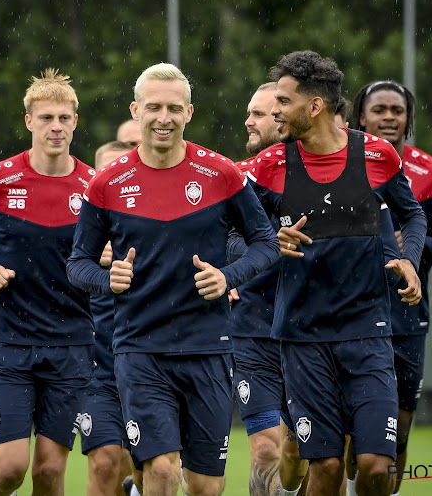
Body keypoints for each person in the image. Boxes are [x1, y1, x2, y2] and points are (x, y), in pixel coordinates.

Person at [68, 62, 280, 496]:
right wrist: (108, 280)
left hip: (209, 349)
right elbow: (78, 264)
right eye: (153, 107)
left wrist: (228, 276)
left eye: (173, 108)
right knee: (161, 470)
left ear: (189, 113)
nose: (163, 118)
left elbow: (266, 243)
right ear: (136, 109)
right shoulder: (107, 182)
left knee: (206, 486)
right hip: (140, 350)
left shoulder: (222, 174)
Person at [248, 51, 427, 496]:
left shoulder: (377, 156)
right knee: (325, 468)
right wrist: (273, 238)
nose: (275, 112)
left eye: (284, 102)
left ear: (315, 107)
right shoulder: (269, 166)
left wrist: (411, 258)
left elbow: (414, 217)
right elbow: (235, 234)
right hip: (302, 336)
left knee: (374, 466)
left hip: (367, 332)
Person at [0, 69, 95, 496]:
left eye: (64, 118)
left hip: (71, 341)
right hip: (8, 339)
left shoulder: (96, 187)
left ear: (75, 122)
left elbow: (116, 251)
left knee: (49, 472)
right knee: (9, 469)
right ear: (29, 121)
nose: (56, 127)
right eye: (46, 118)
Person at [349, 80, 432, 496]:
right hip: (347, 315)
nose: (388, 118)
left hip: (404, 317)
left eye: (396, 110)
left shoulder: (431, 174)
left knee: (395, 434)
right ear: (360, 116)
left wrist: (414, 243)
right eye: (378, 109)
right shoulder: (338, 161)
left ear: (408, 118)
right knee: (348, 439)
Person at [230, 81, 309, 496]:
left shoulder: (326, 175)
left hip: (309, 333)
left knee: (300, 454)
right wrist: (244, 259)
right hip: (252, 329)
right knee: (264, 450)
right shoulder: (238, 180)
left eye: (259, 114)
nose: (249, 120)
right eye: (251, 111)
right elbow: (222, 237)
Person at [80, 140, 140, 496]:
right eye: (105, 170)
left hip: (146, 358)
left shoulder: (155, 221)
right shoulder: (81, 226)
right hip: (95, 363)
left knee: (139, 465)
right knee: (105, 462)